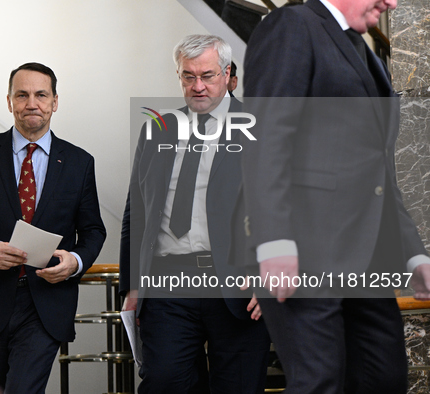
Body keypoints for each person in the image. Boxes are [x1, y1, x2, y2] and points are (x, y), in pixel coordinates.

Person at [242, 1, 430, 393]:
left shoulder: (365, 51)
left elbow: (378, 171)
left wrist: (414, 253)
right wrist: (274, 240)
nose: (391, 2)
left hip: (368, 260)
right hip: (305, 252)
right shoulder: (292, 26)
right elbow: (267, 139)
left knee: (385, 378)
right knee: (320, 383)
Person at [120, 34, 270, 393]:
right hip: (168, 284)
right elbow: (136, 213)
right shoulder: (156, 130)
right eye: (188, 76)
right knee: (163, 382)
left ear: (227, 72)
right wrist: (133, 284)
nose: (198, 86)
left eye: (207, 75)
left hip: (238, 286)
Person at [0, 62, 106, 393]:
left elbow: (93, 231)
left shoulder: (79, 162)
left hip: (46, 305)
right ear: (9, 101)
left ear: (54, 102)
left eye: (41, 95)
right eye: (22, 95)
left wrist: (74, 263)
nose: (32, 103)